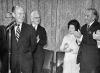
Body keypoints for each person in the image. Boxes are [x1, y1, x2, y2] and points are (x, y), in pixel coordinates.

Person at [9, 6, 37, 73]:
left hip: (26, 65)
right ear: (13, 14)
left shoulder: (30, 29)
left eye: (23, 13)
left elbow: (33, 46)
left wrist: (25, 53)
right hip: (13, 65)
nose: (22, 16)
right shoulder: (8, 29)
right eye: (19, 13)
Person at [76, 8, 100, 73]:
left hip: (93, 61)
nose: (85, 17)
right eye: (85, 15)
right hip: (83, 60)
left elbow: (90, 40)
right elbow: (80, 42)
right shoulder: (83, 27)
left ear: (94, 17)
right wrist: (78, 39)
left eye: (87, 16)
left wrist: (81, 37)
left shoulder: (98, 26)